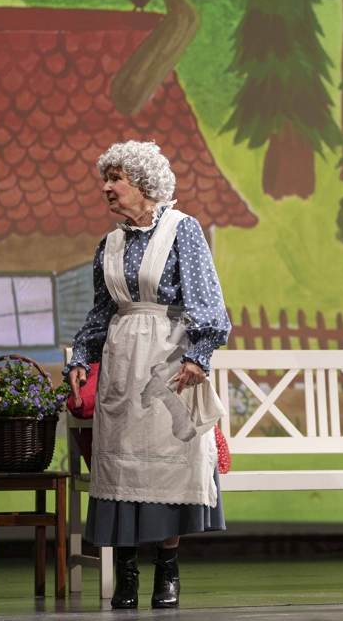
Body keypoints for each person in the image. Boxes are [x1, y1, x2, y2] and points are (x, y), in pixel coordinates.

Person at [65, 140, 231, 610]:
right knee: (121, 466)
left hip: (169, 363)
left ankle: (167, 569)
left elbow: (208, 302)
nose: (107, 188)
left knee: (167, 466)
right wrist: (81, 357)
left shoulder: (182, 230)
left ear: (143, 183)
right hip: (122, 364)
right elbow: (102, 312)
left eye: (115, 179)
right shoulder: (110, 245)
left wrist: (199, 355)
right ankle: (127, 573)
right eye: (107, 179)